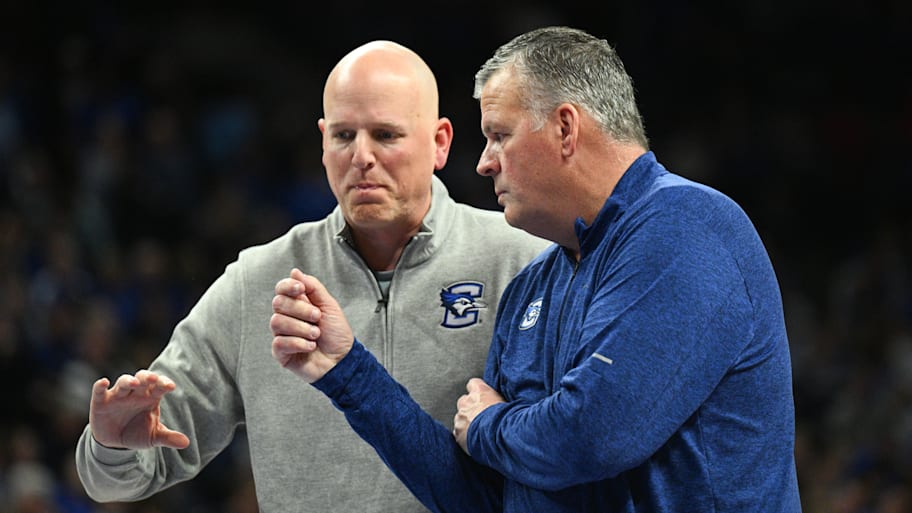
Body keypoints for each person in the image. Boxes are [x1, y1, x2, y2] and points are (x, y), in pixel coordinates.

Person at [270, 26, 803, 512]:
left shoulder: (687, 228)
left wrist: (488, 424)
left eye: (499, 135)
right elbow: (485, 499)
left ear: (565, 129)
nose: (484, 162)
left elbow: (594, 436)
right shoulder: (532, 286)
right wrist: (347, 371)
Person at [74, 40, 550, 513]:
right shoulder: (258, 283)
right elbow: (123, 473)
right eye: (343, 135)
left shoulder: (523, 261)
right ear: (323, 141)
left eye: (385, 135)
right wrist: (111, 446)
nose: (361, 156)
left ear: (439, 142)